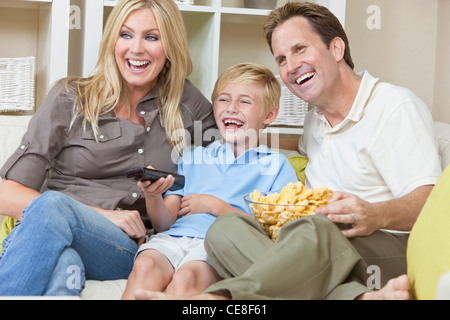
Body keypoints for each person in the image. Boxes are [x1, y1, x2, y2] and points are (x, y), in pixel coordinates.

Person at [136, 2, 442, 300]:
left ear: (337, 49)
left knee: (317, 229)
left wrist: (373, 214)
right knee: (224, 230)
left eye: (300, 49)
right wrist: (240, 139)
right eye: (281, 59)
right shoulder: (316, 119)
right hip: (312, 244)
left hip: (377, 244)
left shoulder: (393, 108)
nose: (291, 66)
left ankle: (216, 299)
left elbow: (429, 203)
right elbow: (290, 146)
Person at [0, 0, 217, 296]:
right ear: (111, 40)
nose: (136, 49)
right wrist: (102, 214)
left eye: (151, 37)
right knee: (63, 258)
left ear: (170, 47)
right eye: (125, 35)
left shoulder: (186, 102)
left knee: (52, 206)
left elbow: (234, 157)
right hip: (48, 230)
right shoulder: (70, 98)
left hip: (121, 248)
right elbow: (6, 194)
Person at [121, 62, 299, 299]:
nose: (231, 108)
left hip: (216, 246)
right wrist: (153, 195)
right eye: (224, 99)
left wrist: (215, 206)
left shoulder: (276, 166)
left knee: (187, 279)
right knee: (145, 267)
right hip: (174, 238)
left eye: (244, 101)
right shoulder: (192, 157)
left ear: (269, 115)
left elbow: (270, 235)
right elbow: (164, 223)